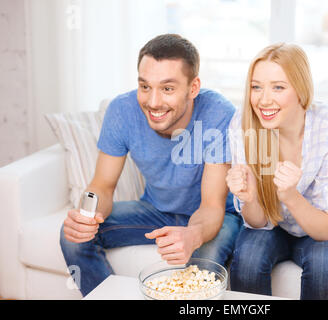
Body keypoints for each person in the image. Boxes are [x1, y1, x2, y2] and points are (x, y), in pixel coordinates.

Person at [60, 34, 242, 297]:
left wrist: (192, 235)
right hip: (157, 210)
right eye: (145, 87)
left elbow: (211, 205)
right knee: (72, 237)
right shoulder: (122, 111)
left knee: (204, 261)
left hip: (217, 216)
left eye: (167, 88)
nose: (153, 102)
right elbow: (102, 185)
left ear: (193, 88)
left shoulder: (218, 114)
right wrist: (86, 217)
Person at [226, 43, 328, 300]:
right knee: (248, 260)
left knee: (323, 266)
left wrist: (289, 195)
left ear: (300, 89)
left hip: (319, 226)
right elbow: (257, 222)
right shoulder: (243, 124)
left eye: (278, 87)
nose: (263, 100)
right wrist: (250, 197)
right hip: (272, 226)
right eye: (256, 87)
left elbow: (323, 231)